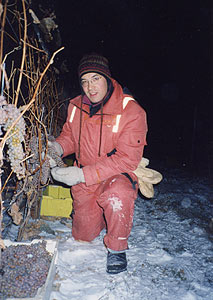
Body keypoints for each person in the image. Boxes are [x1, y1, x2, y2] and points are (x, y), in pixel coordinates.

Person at [49, 53, 148, 274]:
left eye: (95, 78)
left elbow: (127, 159)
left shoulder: (131, 111)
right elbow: (70, 138)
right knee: (82, 236)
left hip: (115, 174)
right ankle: (102, 216)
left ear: (107, 78)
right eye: (84, 81)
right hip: (85, 175)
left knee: (117, 196)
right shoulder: (76, 106)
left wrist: (81, 175)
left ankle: (116, 248)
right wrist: (57, 147)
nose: (89, 87)